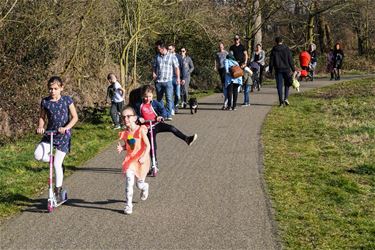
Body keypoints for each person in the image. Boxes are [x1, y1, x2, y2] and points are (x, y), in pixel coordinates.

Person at [34, 76, 78, 203]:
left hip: (63, 136)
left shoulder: (67, 100)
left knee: (57, 165)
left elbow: (75, 117)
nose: (52, 91)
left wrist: (66, 127)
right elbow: (42, 117)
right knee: (38, 155)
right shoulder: (45, 101)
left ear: (61, 88)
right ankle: (53, 159)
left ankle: (57, 191)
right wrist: (41, 127)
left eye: (55, 89)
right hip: (50, 134)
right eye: (50, 89)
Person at [135, 85, 197, 171]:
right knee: (152, 145)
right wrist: (139, 118)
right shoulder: (139, 105)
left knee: (171, 128)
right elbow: (134, 114)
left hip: (156, 124)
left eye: (149, 96)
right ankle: (154, 164)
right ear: (142, 96)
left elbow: (163, 110)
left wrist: (161, 116)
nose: (147, 98)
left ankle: (186, 139)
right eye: (145, 96)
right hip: (147, 127)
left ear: (152, 96)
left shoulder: (155, 103)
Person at [117, 106, 150, 215]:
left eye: (128, 116)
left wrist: (144, 156)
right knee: (129, 182)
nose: (125, 119)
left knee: (139, 185)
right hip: (130, 160)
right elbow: (131, 145)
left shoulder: (140, 130)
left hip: (142, 160)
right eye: (123, 117)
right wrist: (123, 148)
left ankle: (145, 187)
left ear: (135, 118)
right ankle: (128, 205)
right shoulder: (127, 133)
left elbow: (148, 145)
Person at [152, 40, 180, 120]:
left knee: (169, 98)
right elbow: (154, 66)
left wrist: (178, 78)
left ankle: (168, 114)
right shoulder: (157, 56)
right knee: (159, 99)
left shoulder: (172, 56)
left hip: (168, 81)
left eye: (158, 48)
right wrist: (154, 73)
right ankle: (162, 114)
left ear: (162, 47)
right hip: (159, 82)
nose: (157, 49)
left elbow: (176, 68)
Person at [269, 36, 295, 107]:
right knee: (287, 84)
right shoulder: (286, 49)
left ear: (276, 42)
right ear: (282, 41)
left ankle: (281, 102)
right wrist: (293, 69)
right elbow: (290, 59)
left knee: (279, 86)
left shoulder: (274, 49)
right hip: (286, 69)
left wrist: (270, 70)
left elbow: (271, 61)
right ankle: (286, 98)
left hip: (278, 70)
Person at [167, 43, 184, 115]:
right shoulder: (166, 56)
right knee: (170, 94)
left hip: (177, 78)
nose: (169, 50)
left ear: (174, 49)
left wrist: (182, 78)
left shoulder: (179, 57)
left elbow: (182, 68)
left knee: (177, 95)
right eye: (168, 49)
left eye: (170, 49)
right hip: (169, 78)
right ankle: (172, 108)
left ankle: (176, 105)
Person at [214, 42, 229, 109]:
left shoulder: (226, 53)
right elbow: (216, 60)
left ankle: (225, 91)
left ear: (223, 46)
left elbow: (229, 59)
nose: (220, 47)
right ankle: (224, 90)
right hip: (220, 68)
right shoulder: (217, 54)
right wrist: (215, 66)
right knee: (223, 82)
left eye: (221, 46)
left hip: (225, 69)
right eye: (219, 46)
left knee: (225, 82)